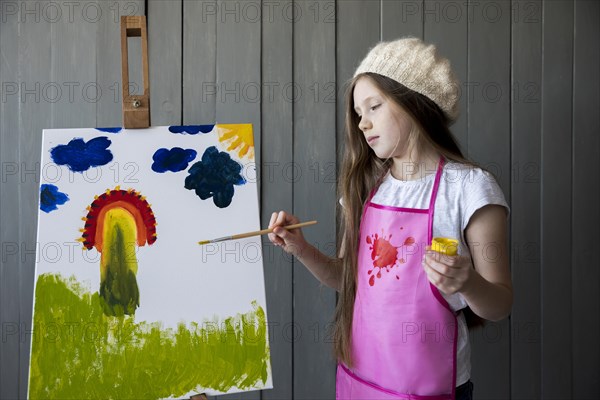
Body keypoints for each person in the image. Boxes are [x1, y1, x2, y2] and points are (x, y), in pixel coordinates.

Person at [268, 37, 512, 400]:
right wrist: (300, 248)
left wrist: (467, 282)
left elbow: (500, 305)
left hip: (432, 389)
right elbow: (346, 278)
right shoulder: (365, 187)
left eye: (374, 106)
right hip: (360, 383)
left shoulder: (470, 188)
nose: (363, 124)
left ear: (415, 102)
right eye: (358, 113)